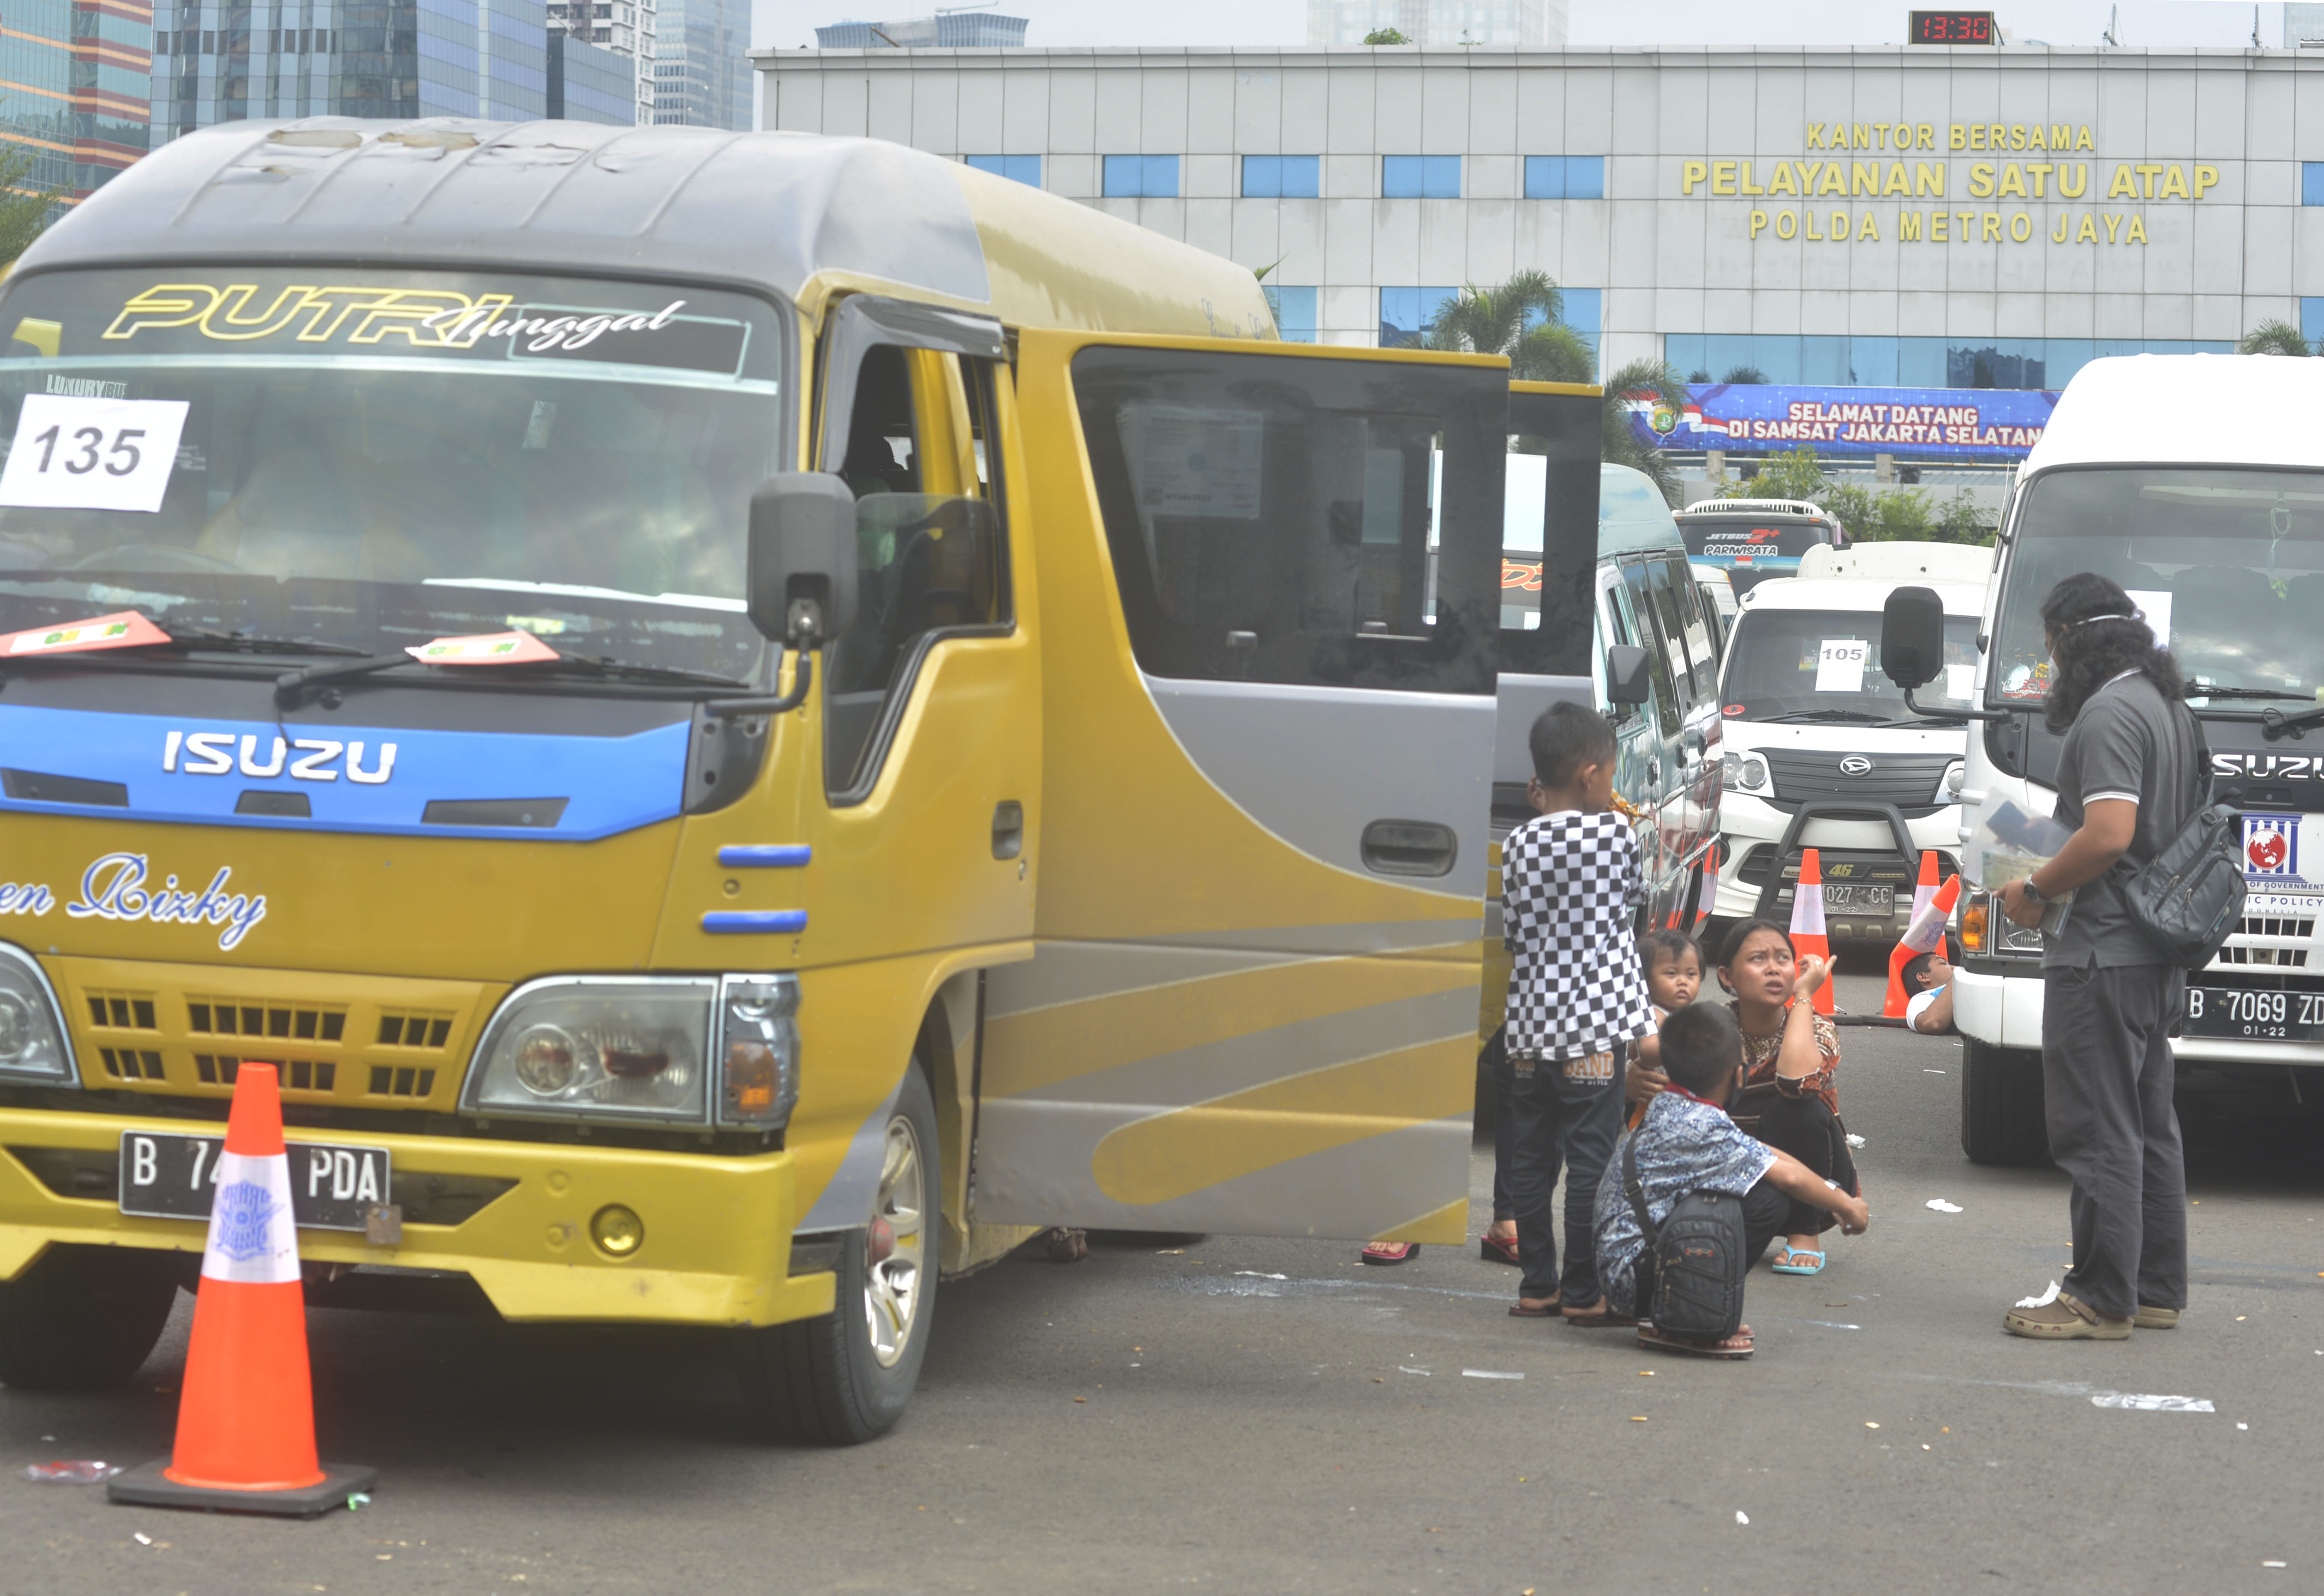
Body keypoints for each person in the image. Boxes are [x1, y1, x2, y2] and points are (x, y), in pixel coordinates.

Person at [1994, 573, 2200, 1342]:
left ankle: (2101, 1296)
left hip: (2101, 950)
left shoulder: (2112, 711)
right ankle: (2152, 1290)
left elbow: (2110, 832)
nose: (2049, 666)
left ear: (2074, 637)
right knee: (2148, 1122)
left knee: (2097, 1126)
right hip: (2152, 948)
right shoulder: (2167, 705)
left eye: (2050, 648)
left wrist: (2035, 888)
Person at [1594, 1003, 1873, 1359]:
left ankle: (1691, 1305)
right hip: (1636, 1278)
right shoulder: (1703, 1124)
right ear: (1736, 1075)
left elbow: (1762, 1153)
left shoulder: (1674, 1105)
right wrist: (1847, 1205)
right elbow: (1786, 1175)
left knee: (1754, 1185)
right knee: (1769, 1200)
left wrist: (1830, 1190)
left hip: (1623, 1270)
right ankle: (1690, 1315)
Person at [1501, 702, 1657, 1325]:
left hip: (1528, 1031)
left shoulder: (1516, 843)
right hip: (1593, 1030)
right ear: (1592, 775)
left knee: (1531, 1164)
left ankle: (1537, 1286)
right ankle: (1584, 1289)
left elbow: (1515, 934)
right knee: (1589, 1163)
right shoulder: (1615, 833)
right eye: (1613, 775)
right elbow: (1631, 910)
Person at [1716, 917, 1860, 1278]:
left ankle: (1804, 1231)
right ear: (1726, 977)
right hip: (1736, 1169)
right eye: (1757, 959)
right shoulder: (1712, 1025)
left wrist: (1804, 997)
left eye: (1782, 958)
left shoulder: (1818, 1024)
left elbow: (1797, 1081)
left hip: (1815, 1179)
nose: (1773, 968)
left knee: (1795, 1105)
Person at [1621, 928, 1706, 1122]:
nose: (1683, 982)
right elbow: (1650, 1051)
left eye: (1691, 974)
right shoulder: (1654, 1013)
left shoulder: (1684, 1016)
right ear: (1645, 981)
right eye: (1671, 974)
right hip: (1652, 1109)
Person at [1903, 945, 1956, 1036]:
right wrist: (1957, 979)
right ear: (1923, 977)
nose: (1953, 967)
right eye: (1943, 963)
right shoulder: (1923, 998)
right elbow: (1931, 1023)